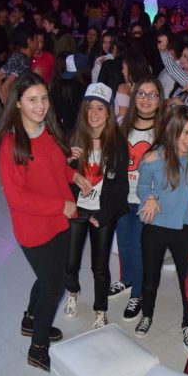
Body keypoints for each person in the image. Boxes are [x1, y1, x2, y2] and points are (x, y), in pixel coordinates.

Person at [0, 72, 91, 371]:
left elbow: (56, 168)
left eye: (44, 98)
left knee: (50, 276)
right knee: (54, 286)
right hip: (35, 228)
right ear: (17, 103)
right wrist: (61, 205)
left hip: (59, 221)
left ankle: (30, 319)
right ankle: (37, 348)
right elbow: (17, 198)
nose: (40, 106)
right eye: (32, 100)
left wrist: (74, 176)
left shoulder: (48, 130)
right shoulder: (13, 144)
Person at [134, 106, 188, 349]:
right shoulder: (153, 158)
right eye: (185, 133)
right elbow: (142, 187)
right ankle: (147, 314)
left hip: (185, 225)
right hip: (156, 224)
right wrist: (150, 197)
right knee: (150, 277)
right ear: (172, 130)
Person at [62, 83, 129, 327]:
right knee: (69, 261)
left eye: (100, 108)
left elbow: (121, 188)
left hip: (103, 212)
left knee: (99, 267)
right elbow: (55, 176)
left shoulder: (117, 144)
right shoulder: (72, 138)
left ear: (109, 112)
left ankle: (100, 308)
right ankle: (73, 291)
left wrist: (104, 214)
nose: (94, 114)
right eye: (89, 108)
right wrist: (67, 161)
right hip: (76, 210)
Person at [109, 78, 165, 314]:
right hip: (123, 196)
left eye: (152, 95)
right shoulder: (122, 123)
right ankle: (127, 279)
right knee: (124, 243)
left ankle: (137, 294)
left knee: (140, 248)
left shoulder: (164, 130)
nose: (146, 99)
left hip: (148, 199)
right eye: (141, 93)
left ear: (160, 100)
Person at [0, 23, 37, 104]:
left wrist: (3, 101)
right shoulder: (23, 63)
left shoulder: (16, 56)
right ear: (29, 41)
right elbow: (5, 86)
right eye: (36, 38)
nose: (38, 42)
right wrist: (8, 105)